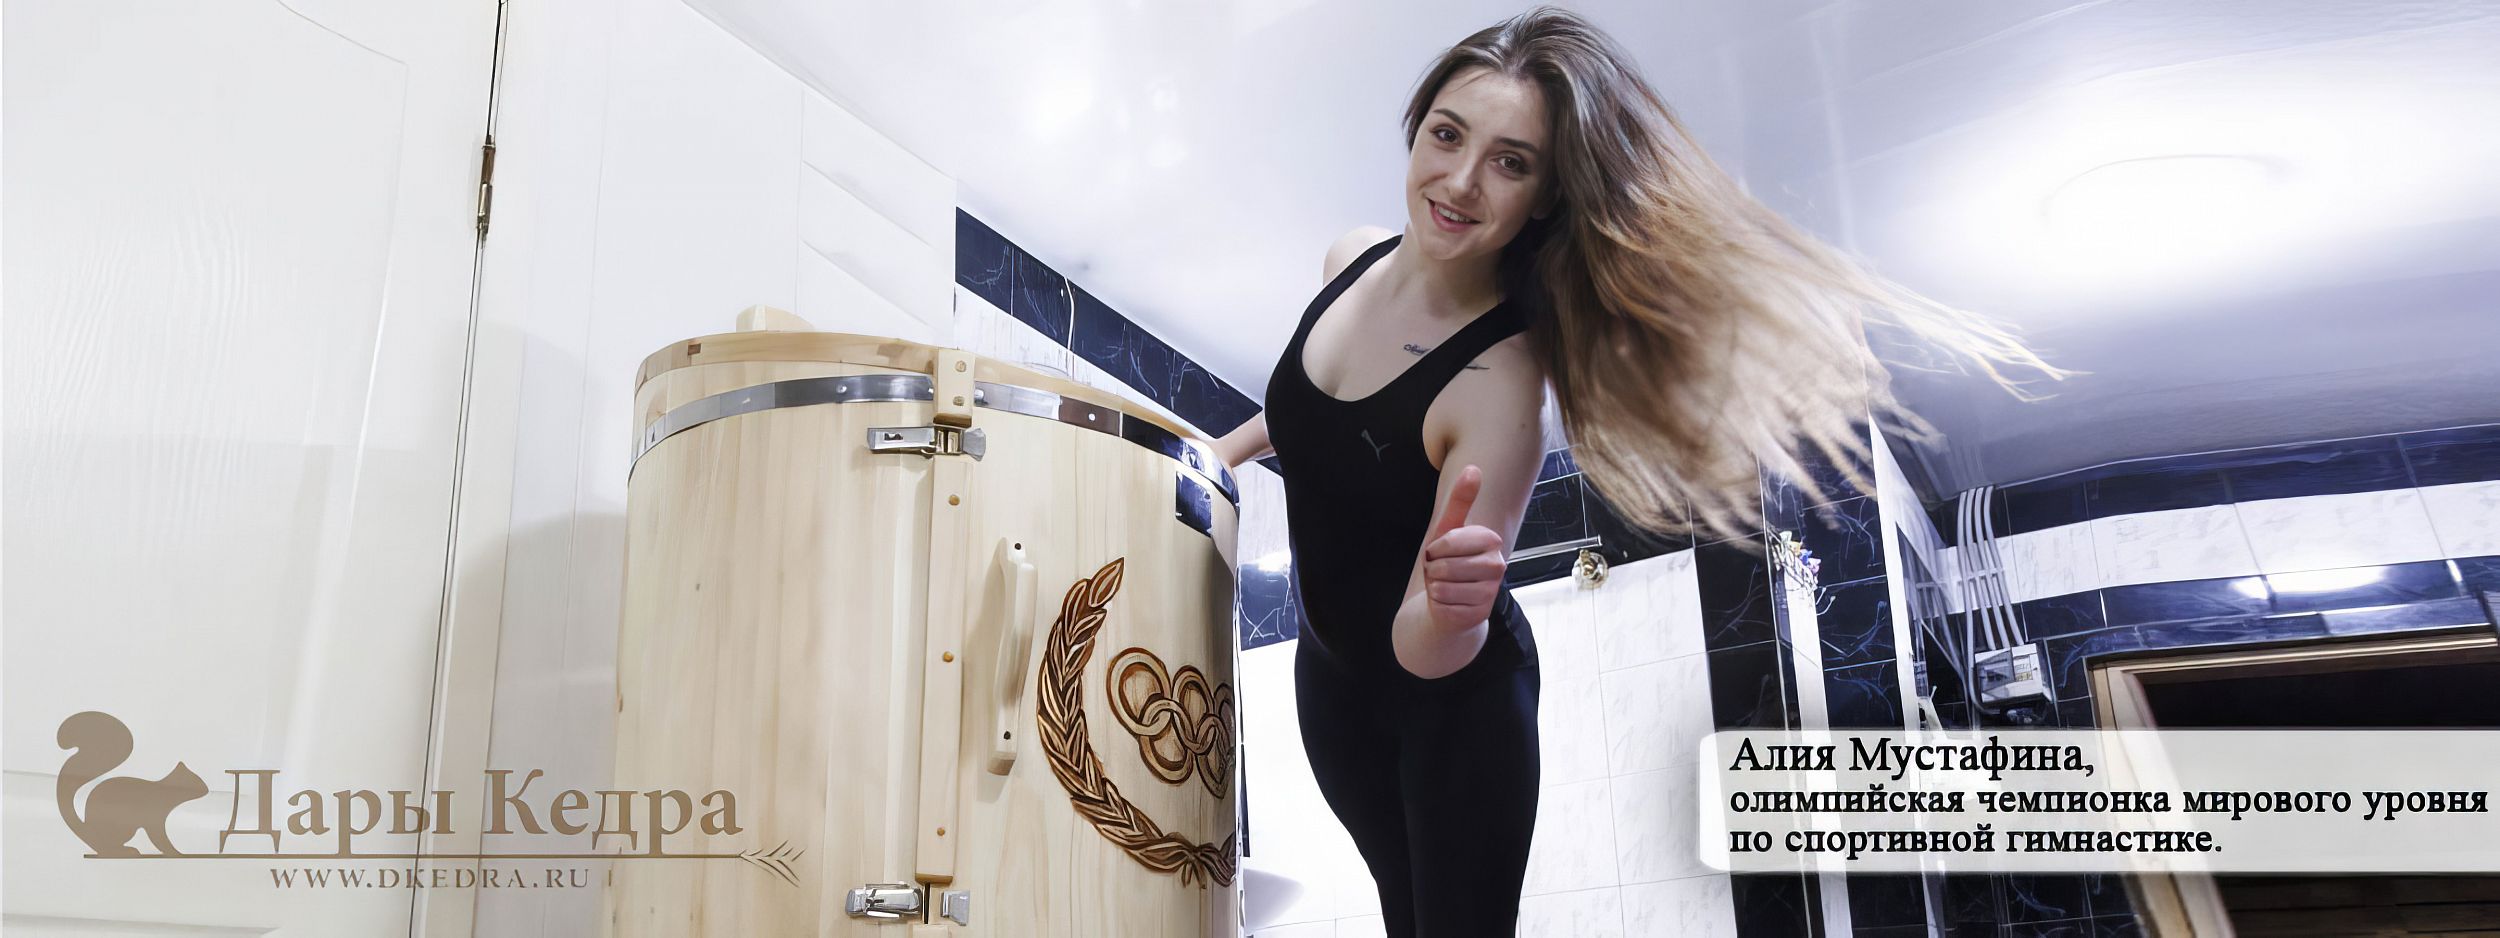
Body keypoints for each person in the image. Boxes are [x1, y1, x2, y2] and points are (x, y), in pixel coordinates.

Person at [1210, 7, 2065, 935]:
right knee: (1398, 912)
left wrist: (1452, 609)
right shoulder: (1349, 259)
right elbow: (1329, 413)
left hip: (1453, 705)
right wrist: (1225, 451)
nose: (1460, 181)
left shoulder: (1499, 384)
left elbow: (1425, 647)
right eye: (1448, 135)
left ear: (1544, 196)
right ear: (1416, 127)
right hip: (1332, 685)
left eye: (1510, 162)